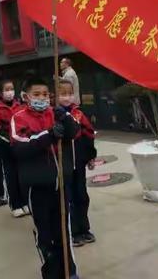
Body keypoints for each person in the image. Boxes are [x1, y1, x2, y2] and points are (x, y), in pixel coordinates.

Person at [11, 76, 80, 279]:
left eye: (45, 94)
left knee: (63, 231)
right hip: (37, 186)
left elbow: (74, 133)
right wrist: (48, 135)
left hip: (60, 184)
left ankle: (70, 271)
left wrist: (65, 118)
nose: (42, 98)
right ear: (26, 97)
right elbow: (20, 147)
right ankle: (51, 273)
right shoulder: (19, 117)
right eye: (36, 94)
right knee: (45, 233)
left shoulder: (55, 113)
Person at [58, 80, 97, 247]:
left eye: (69, 93)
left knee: (82, 195)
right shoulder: (54, 115)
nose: (67, 97)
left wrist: (90, 156)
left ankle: (84, 228)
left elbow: (89, 134)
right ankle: (72, 231)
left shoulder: (79, 114)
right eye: (63, 94)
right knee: (69, 198)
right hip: (64, 165)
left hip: (79, 164)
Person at [0, 80, 29, 217]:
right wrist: (11, 140)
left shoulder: (19, 105)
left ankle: (25, 202)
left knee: (22, 175)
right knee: (11, 176)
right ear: (1, 93)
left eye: (12, 88)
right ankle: (15, 204)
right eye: (6, 89)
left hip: (20, 147)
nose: (10, 92)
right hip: (6, 148)